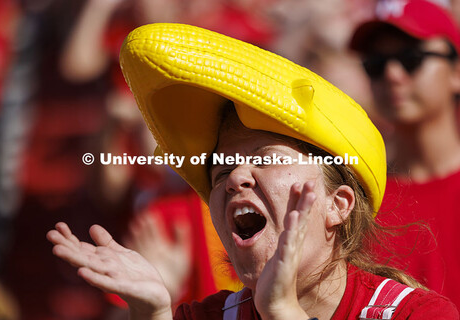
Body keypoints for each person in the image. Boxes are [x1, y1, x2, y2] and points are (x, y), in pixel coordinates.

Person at [47, 23, 458, 319]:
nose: (236, 177)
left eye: (265, 158)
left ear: (339, 204)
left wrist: (282, 311)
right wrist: (152, 311)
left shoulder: (418, 314)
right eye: (221, 168)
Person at [350, 0, 460, 308]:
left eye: (411, 58)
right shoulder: (357, 201)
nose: (392, 74)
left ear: (456, 71)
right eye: (375, 63)